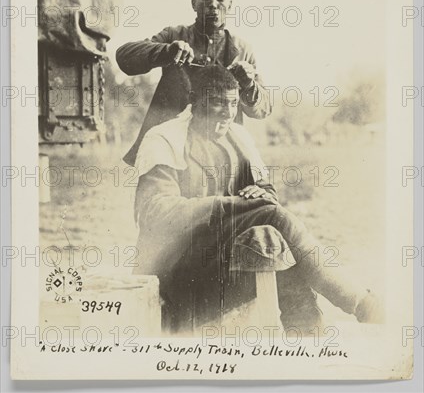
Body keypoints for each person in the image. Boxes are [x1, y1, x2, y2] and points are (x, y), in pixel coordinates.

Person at [133, 64, 382, 333]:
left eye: (232, 103)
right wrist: (231, 205)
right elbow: (155, 213)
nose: (228, 113)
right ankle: (363, 305)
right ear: (193, 101)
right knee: (272, 218)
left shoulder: (237, 138)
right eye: (217, 103)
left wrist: (262, 194)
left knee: (276, 241)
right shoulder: (164, 139)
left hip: (221, 263)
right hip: (177, 277)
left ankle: (310, 339)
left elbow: (266, 194)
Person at [116, 0, 271, 166]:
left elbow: (263, 109)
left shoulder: (242, 50)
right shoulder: (174, 36)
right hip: (173, 147)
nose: (213, 4)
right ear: (193, 3)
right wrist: (165, 51)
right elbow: (124, 57)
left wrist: (249, 85)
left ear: (230, 5)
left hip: (221, 147)